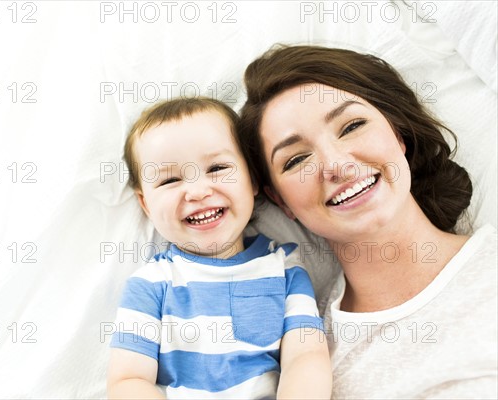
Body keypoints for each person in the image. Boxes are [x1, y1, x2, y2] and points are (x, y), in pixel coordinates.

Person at [238, 45, 497, 399]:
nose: (337, 165)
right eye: (297, 159)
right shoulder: (307, 360)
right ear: (282, 201)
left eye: (353, 126)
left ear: (398, 134)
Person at [107, 97, 332, 399]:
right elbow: (128, 380)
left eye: (217, 168)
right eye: (170, 180)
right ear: (146, 204)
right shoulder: (151, 284)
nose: (198, 192)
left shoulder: (285, 269)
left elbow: (306, 358)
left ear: (252, 178)